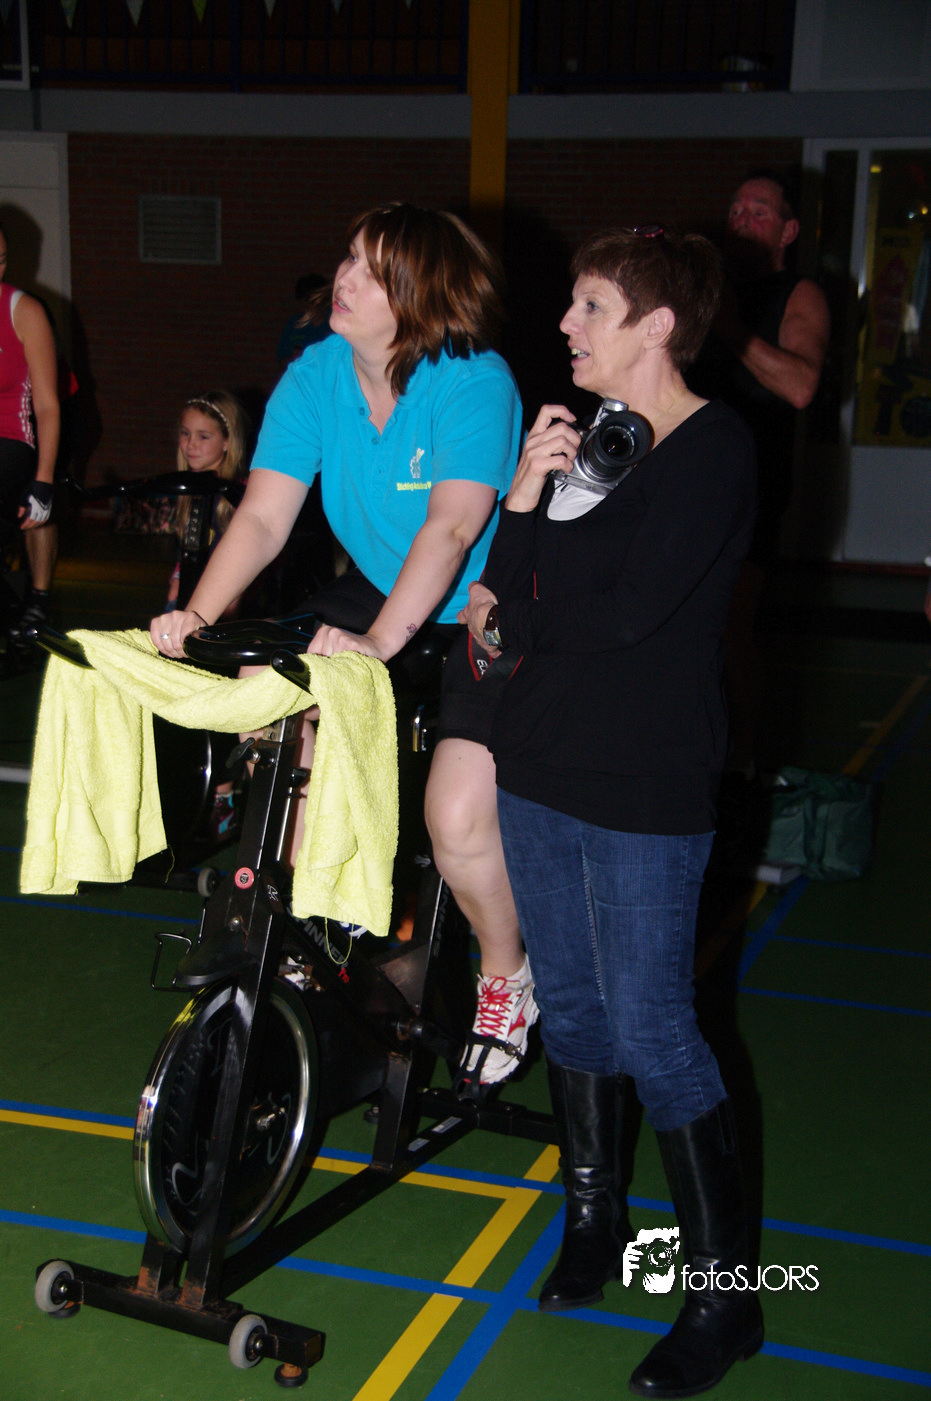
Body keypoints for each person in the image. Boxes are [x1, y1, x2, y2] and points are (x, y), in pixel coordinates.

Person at [459, 225, 761, 1397]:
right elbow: (504, 589)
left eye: (590, 306)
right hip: (540, 762)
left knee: (655, 1031)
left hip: (643, 781)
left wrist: (519, 619)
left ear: (656, 325)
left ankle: (724, 1301)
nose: (565, 325)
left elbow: (630, 611)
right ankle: (591, 1224)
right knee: (576, 1014)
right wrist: (526, 497)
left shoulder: (712, 449)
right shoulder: (595, 442)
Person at [150, 203, 531, 1084]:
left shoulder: (473, 380)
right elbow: (263, 516)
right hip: (379, 581)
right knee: (265, 683)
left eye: (371, 269)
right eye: (348, 257)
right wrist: (196, 615)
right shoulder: (317, 373)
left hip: (481, 599)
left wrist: (375, 641)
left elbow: (450, 529)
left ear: (422, 295)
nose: (344, 279)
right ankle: (304, 922)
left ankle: (505, 974)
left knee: (456, 820)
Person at [690, 170, 830, 785]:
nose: (743, 220)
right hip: (689, 476)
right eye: (736, 209)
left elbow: (800, 386)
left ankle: (743, 758)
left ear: (788, 231)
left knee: (730, 624)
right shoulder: (704, 287)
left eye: (760, 211)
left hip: (752, 484)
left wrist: (730, 328)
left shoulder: (799, 293)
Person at [0, 222, 61, 633]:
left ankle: (38, 598)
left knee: (38, 510)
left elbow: (47, 405)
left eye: (2, 261)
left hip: (15, 436)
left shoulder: (24, 311)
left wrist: (44, 480)